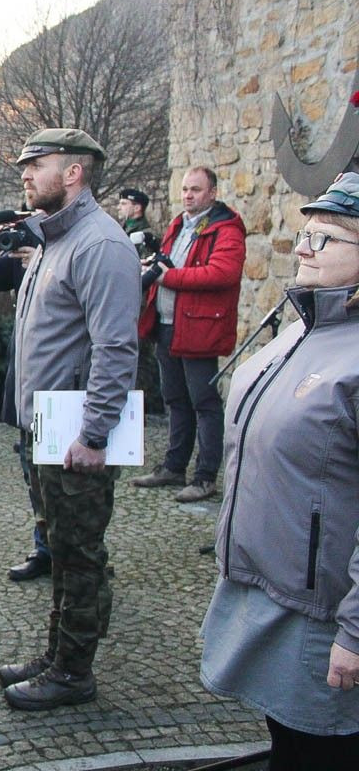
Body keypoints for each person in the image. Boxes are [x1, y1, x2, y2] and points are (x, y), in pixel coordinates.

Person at [200, 173, 359, 769]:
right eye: (305, 233)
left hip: (326, 612)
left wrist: (356, 633)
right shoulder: (301, 328)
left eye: (327, 239)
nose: (303, 248)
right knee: (288, 744)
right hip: (267, 588)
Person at [0, 128, 139, 711]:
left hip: (76, 428)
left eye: (38, 164)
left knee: (78, 552)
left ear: (73, 172)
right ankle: (59, 653)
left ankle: (74, 672)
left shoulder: (99, 244)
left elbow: (116, 349)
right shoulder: (55, 238)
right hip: (46, 425)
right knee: (59, 544)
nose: (25, 174)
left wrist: (95, 433)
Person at [131, 166, 244, 502]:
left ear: (212, 193)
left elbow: (222, 273)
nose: (188, 196)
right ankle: (174, 466)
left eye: (195, 190)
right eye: (185, 189)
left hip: (199, 328)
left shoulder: (226, 229)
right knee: (175, 399)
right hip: (167, 323)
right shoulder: (178, 224)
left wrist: (170, 277)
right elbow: (168, 265)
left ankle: (206, 476)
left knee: (204, 403)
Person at [0, 226, 51, 582]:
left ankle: (82, 553)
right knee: (34, 471)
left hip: (63, 380)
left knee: (70, 478)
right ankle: (45, 548)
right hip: (29, 375)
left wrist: (46, 264)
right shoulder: (22, 252)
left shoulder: (76, 245)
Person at [117, 188, 163, 416]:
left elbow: (145, 272)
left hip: (139, 306)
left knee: (138, 366)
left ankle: (138, 417)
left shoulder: (145, 236)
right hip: (122, 304)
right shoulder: (123, 232)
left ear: (137, 208)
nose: (120, 207)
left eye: (124, 203)